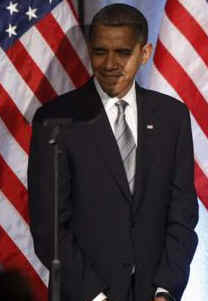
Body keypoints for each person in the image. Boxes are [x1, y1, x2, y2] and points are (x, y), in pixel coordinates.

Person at [28, 4, 198, 301]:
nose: (109, 64)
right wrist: (95, 296)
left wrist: (164, 290)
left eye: (122, 52)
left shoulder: (172, 117)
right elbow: (49, 227)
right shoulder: (56, 120)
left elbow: (182, 213)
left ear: (144, 53)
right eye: (99, 52)